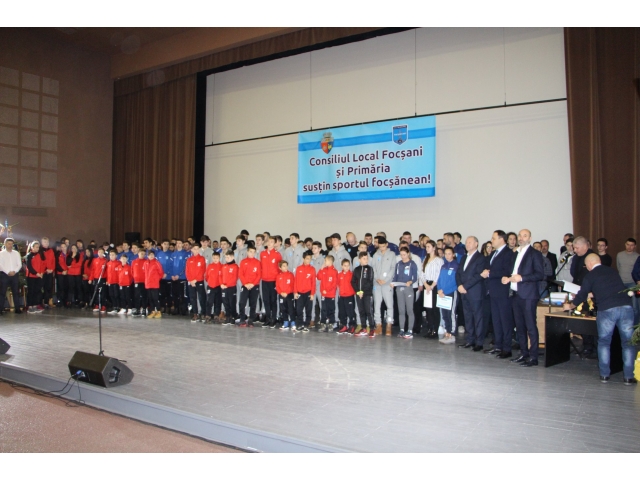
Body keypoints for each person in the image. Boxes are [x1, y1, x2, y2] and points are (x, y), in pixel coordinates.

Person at [563, 254, 637, 385]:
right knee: (628, 343)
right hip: (626, 307)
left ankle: (604, 375)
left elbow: (581, 295)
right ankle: (628, 377)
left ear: (589, 264)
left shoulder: (590, 275)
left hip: (607, 309)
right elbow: (611, 288)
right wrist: (592, 294)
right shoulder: (612, 271)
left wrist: (570, 306)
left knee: (604, 342)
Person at [503, 229, 545, 367]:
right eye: (520, 235)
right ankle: (523, 353)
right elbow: (513, 272)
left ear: (530, 238)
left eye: (525, 236)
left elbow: (539, 274)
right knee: (520, 326)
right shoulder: (515, 253)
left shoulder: (535, 254)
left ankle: (533, 356)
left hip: (528, 295)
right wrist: (507, 278)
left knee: (530, 326)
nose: (521, 238)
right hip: (516, 294)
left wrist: (522, 278)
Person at [481, 230, 516, 358]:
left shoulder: (508, 253)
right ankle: (498, 345)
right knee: (496, 320)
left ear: (501, 239)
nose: (492, 240)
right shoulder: (494, 253)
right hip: (493, 291)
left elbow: (506, 271)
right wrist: (486, 271)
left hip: (502, 291)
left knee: (505, 321)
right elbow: (489, 267)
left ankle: (507, 348)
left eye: (494, 238)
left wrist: (490, 273)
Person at [456, 236, 486, 351]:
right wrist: (459, 285)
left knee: (478, 317)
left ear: (476, 244)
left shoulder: (480, 258)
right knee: (467, 317)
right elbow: (458, 273)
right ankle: (470, 340)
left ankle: (479, 342)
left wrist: (465, 286)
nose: (467, 244)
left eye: (470, 242)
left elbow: (478, 275)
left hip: (474, 292)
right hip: (463, 291)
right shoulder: (464, 257)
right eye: (466, 242)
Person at [572, 236, 597, 356]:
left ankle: (592, 347)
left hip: (590, 294)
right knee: (581, 320)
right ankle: (586, 345)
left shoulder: (592, 257)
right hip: (579, 291)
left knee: (589, 322)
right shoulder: (576, 258)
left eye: (577, 248)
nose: (575, 250)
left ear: (585, 246)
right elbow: (575, 274)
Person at [393, 246, 419, 339]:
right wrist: (393, 283)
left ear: (408, 254)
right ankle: (402, 329)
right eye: (401, 255)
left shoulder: (412, 264)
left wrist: (410, 282)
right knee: (401, 310)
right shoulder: (398, 264)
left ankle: (410, 330)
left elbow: (415, 277)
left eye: (404, 254)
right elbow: (395, 276)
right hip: (399, 288)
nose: (403, 256)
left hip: (408, 289)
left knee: (409, 310)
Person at [372, 236, 396, 336]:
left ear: (386, 244)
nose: (381, 248)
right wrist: (377, 278)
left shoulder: (392, 254)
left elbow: (393, 268)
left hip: (387, 284)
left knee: (389, 305)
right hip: (377, 283)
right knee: (377, 305)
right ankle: (378, 325)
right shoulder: (375, 255)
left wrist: (385, 280)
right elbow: (373, 268)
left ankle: (389, 325)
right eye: (380, 246)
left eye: (383, 246)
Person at [421, 240, 443, 338]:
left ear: (434, 248)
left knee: (434, 309)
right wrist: (425, 284)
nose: (427, 248)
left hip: (434, 285)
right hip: (427, 284)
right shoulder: (425, 259)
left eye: (429, 246)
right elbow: (421, 273)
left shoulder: (438, 260)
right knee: (428, 308)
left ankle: (435, 329)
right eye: (426, 247)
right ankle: (430, 329)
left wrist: (432, 286)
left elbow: (438, 274)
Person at [437, 246, 459, 344]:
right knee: (444, 314)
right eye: (445, 254)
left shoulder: (456, 266)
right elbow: (439, 279)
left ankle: (452, 333)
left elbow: (455, 282)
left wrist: (445, 291)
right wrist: (439, 289)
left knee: (451, 313)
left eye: (449, 253)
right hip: (442, 293)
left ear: (453, 254)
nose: (447, 255)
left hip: (451, 292)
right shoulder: (443, 266)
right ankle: (447, 332)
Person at [260, 236, 281, 328]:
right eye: (268, 241)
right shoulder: (262, 253)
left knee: (273, 300)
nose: (269, 243)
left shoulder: (277, 254)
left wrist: (278, 281)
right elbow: (261, 266)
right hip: (264, 280)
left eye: (272, 242)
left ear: (274, 243)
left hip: (273, 280)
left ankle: (274, 318)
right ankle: (268, 318)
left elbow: (279, 269)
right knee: (266, 300)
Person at [616, 238, 639, 325]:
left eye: (632, 245)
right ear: (625, 244)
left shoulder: (637, 256)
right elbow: (619, 267)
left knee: (635, 307)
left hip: (633, 284)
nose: (629, 247)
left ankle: (635, 326)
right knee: (620, 306)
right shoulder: (619, 255)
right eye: (628, 244)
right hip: (621, 283)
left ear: (635, 246)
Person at [352, 251, 375, 337]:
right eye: (364, 259)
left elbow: (370, 281)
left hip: (367, 294)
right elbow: (353, 281)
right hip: (359, 294)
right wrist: (358, 291)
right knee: (361, 311)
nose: (366, 260)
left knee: (369, 311)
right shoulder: (356, 269)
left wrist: (363, 291)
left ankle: (372, 328)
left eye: (367, 259)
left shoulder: (370, 269)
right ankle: (363, 328)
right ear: (359, 260)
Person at [238, 245, 261, 327]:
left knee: (253, 303)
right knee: (242, 303)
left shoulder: (257, 262)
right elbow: (240, 274)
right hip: (245, 285)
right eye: (251, 252)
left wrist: (253, 284)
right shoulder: (243, 262)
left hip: (254, 285)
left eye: (254, 252)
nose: (252, 253)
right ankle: (242, 319)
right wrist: (245, 284)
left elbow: (259, 275)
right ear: (247, 252)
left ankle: (251, 319)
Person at [294, 252, 315, 333]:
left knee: (308, 309)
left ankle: (306, 324)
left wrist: (312, 294)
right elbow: (296, 281)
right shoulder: (298, 268)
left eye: (310, 259)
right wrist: (295, 292)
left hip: (308, 292)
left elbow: (313, 283)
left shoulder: (312, 269)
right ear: (303, 259)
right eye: (307, 258)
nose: (309, 260)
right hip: (299, 292)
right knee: (299, 309)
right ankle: (300, 324)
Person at [0, 238, 23, 315]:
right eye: (9, 244)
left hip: (14, 275)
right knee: (2, 292)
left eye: (11, 244)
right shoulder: (1, 254)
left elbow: (19, 264)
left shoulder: (16, 253)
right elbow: (1, 265)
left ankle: (17, 309)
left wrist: (14, 271)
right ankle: (0, 309)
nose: (10, 245)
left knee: (15, 292)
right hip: (4, 275)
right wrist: (8, 272)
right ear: (5, 244)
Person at [185, 243, 206, 322]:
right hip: (191, 282)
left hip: (199, 280)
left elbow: (202, 270)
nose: (196, 250)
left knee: (201, 297)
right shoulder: (189, 259)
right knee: (193, 298)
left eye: (197, 249)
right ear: (191, 250)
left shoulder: (202, 258)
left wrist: (196, 279)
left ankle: (203, 313)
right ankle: (195, 313)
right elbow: (187, 271)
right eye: (194, 249)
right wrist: (190, 280)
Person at [317, 255, 338, 332]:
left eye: (325, 260)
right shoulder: (324, 270)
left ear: (330, 261)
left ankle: (331, 323)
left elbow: (334, 283)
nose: (324, 262)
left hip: (331, 294)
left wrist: (327, 290)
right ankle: (323, 323)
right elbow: (318, 277)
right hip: (323, 294)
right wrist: (321, 269)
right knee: (323, 309)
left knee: (331, 309)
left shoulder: (334, 271)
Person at [25, 240, 45, 313]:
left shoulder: (39, 255)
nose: (37, 249)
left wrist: (41, 272)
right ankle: (29, 306)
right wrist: (36, 273)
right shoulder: (29, 255)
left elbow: (42, 265)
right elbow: (29, 266)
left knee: (37, 291)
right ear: (32, 247)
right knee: (31, 291)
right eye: (36, 247)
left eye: (38, 247)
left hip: (38, 276)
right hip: (31, 276)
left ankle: (35, 305)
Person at [336, 258, 356, 334]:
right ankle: (344, 326)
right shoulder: (339, 275)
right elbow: (338, 284)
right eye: (345, 266)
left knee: (350, 312)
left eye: (348, 266)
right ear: (342, 266)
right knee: (342, 312)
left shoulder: (352, 275)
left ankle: (352, 326)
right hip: (342, 296)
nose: (347, 267)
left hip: (349, 296)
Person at [170, 239, 189, 316]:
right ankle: (176, 308)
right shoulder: (173, 254)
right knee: (175, 294)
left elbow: (185, 266)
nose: (178, 244)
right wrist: (172, 275)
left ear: (182, 244)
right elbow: (171, 265)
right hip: (174, 277)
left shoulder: (185, 254)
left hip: (182, 278)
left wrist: (179, 275)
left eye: (180, 243)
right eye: (177, 243)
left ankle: (183, 309)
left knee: (182, 294)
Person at [276, 260, 296, 331]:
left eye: (286, 266)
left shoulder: (290, 275)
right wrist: (281, 292)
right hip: (281, 295)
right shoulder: (278, 276)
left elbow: (292, 285)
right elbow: (277, 286)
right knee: (283, 309)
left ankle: (293, 322)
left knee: (291, 309)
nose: (285, 267)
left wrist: (287, 292)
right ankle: (285, 322)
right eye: (284, 266)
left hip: (289, 294)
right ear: (280, 268)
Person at [220, 251, 239, 325]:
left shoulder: (235, 266)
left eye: (228, 257)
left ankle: (233, 317)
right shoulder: (223, 266)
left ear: (232, 257)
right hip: (224, 287)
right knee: (225, 302)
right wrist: (221, 284)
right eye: (226, 257)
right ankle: (228, 316)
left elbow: (234, 278)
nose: (227, 259)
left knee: (232, 302)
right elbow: (220, 276)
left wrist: (227, 285)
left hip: (231, 287)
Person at [145, 250, 164, 319]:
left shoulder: (156, 262)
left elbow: (161, 272)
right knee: (150, 298)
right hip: (148, 284)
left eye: (152, 255)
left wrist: (156, 279)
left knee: (155, 298)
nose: (151, 256)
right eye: (150, 255)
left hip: (154, 284)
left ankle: (158, 311)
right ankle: (152, 311)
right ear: (147, 256)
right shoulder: (146, 263)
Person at [205, 251, 223, 323]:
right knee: (209, 301)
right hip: (210, 286)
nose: (215, 259)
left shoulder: (222, 266)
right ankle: (208, 315)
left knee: (218, 301)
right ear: (212, 258)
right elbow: (207, 276)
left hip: (218, 286)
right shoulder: (210, 266)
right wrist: (209, 282)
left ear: (219, 258)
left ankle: (216, 315)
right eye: (214, 258)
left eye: (217, 258)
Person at [156, 239, 173, 314]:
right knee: (161, 293)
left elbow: (172, 265)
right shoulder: (158, 254)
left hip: (168, 277)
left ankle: (169, 307)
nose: (166, 245)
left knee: (168, 293)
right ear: (162, 245)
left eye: (167, 244)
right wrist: (160, 274)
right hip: (160, 277)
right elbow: (156, 265)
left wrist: (166, 273)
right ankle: (162, 306)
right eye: (165, 244)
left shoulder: (171, 254)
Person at [89, 248, 108, 312]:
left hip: (103, 278)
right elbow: (92, 270)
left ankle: (103, 305)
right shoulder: (95, 260)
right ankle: (97, 305)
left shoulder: (106, 261)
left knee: (103, 292)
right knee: (96, 291)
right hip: (96, 278)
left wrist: (107, 280)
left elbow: (107, 271)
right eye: (99, 252)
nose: (100, 253)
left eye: (101, 252)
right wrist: (90, 278)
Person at [131, 248, 147, 316]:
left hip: (144, 281)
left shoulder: (146, 262)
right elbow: (132, 271)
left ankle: (144, 309)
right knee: (136, 295)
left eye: (143, 254)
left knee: (144, 295)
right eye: (141, 253)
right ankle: (137, 309)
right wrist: (135, 277)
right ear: (138, 254)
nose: (142, 255)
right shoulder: (134, 262)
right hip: (137, 281)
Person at [40, 237, 56, 308]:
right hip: (43, 272)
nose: (46, 243)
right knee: (43, 287)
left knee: (49, 287)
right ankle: (42, 302)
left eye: (47, 242)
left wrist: (52, 269)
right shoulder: (40, 251)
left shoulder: (51, 250)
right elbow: (41, 262)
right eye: (45, 242)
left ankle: (48, 302)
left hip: (50, 272)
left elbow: (53, 261)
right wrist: (45, 269)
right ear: (42, 243)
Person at [106, 249, 120, 314]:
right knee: (111, 295)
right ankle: (114, 307)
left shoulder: (118, 263)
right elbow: (107, 273)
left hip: (116, 282)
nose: (111, 256)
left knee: (116, 295)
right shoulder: (108, 263)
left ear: (116, 256)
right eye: (110, 255)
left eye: (113, 255)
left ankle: (118, 307)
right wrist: (107, 280)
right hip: (110, 282)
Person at [56, 243, 69, 308]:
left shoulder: (69, 254)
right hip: (60, 273)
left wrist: (67, 271)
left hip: (67, 273)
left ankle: (65, 301)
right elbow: (57, 264)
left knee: (66, 287)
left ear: (66, 247)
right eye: (62, 247)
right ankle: (60, 301)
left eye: (64, 247)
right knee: (60, 288)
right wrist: (62, 271)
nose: (63, 248)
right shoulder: (58, 254)